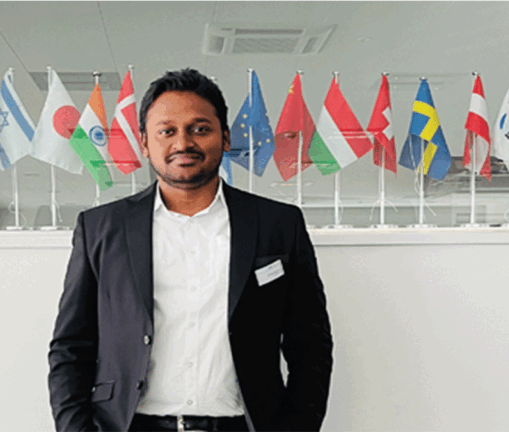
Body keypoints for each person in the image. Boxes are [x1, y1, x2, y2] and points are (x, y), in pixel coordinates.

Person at [48, 68, 333, 432]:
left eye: (200, 129)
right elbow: (71, 346)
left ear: (225, 138)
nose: (183, 143)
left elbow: (310, 345)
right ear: (144, 143)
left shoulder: (279, 224)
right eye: (167, 131)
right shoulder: (101, 228)